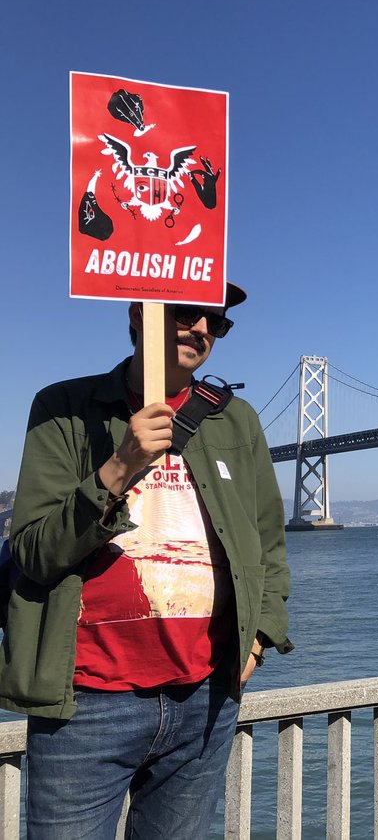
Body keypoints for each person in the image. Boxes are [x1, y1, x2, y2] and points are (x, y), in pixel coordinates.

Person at [5, 285, 292, 837]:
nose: (203, 329)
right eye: (188, 312)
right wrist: (121, 465)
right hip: (85, 704)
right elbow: (35, 553)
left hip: (205, 699)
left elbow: (269, 547)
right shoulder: (62, 409)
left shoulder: (237, 422)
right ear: (139, 312)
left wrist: (259, 637)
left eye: (217, 321)